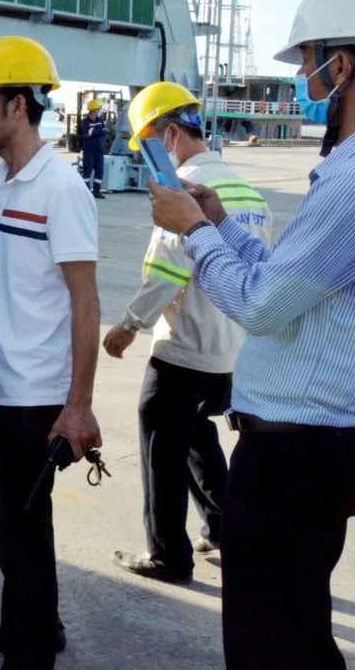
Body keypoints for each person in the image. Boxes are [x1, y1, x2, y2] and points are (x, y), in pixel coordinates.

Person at [148, 0, 355, 669]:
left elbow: (261, 304)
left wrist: (192, 231)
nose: (303, 79)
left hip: (295, 460)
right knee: (297, 635)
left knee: (269, 646)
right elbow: (288, 279)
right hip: (314, 449)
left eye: (307, 64)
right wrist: (220, 224)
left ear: (342, 66)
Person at [0, 36, 102, 669]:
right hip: (9, 389)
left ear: (18, 105)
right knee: (18, 527)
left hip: (43, 397)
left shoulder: (60, 189)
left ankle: (33, 648)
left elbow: (87, 303)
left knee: (24, 531)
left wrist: (79, 407)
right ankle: (33, 625)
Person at [103, 82, 272, 584]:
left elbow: (166, 274)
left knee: (160, 440)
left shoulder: (181, 193)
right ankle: (224, 527)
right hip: (232, 347)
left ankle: (166, 554)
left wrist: (128, 326)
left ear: (170, 134)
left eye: (152, 145)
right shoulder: (248, 191)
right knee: (197, 433)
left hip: (185, 345)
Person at [79, 98, 109, 199]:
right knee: (87, 171)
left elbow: (104, 131)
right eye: (98, 109)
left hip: (99, 150)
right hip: (89, 150)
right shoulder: (85, 122)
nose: (99, 110)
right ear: (93, 110)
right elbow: (89, 133)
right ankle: (86, 192)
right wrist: (98, 131)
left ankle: (97, 191)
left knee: (99, 170)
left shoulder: (100, 120)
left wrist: (95, 130)